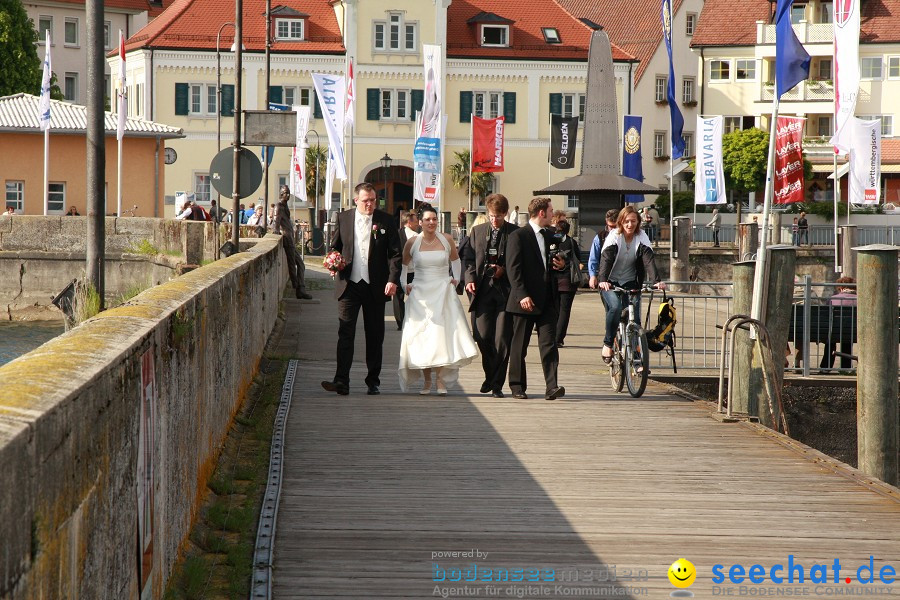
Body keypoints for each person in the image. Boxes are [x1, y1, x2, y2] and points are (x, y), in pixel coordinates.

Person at [321, 182, 402, 396]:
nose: (370, 204)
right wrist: (332, 261)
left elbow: (395, 253)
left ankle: (372, 381)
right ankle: (341, 381)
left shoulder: (385, 220)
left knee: (375, 335)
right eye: (366, 200)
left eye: (373, 200)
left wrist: (393, 279)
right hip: (349, 284)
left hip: (376, 286)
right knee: (345, 332)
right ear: (356, 200)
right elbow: (335, 247)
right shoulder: (344, 218)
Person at [398, 204, 478, 395]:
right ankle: (427, 381)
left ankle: (440, 380)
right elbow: (403, 267)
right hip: (420, 294)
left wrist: (455, 279)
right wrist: (404, 285)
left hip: (442, 291)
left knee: (441, 336)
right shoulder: (412, 242)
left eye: (434, 219)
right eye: (427, 219)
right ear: (420, 222)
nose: (431, 222)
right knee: (423, 337)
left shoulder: (447, 239)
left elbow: (456, 261)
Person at [505, 197, 567, 401]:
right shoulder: (518, 236)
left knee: (549, 344)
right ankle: (517, 385)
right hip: (525, 300)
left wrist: (561, 264)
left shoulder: (550, 235)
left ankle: (552, 386)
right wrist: (522, 294)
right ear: (541, 213)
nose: (552, 214)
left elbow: (558, 260)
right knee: (519, 346)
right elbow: (513, 269)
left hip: (547, 298)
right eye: (550, 211)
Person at [590, 205, 665, 364]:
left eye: (633, 221)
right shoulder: (614, 236)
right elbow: (606, 259)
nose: (630, 225)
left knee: (635, 320)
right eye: (626, 222)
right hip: (610, 282)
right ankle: (608, 344)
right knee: (616, 307)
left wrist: (656, 281)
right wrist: (602, 279)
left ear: (638, 222)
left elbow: (648, 260)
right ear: (621, 222)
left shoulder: (642, 236)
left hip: (631, 281)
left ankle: (637, 359)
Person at [462, 194, 517, 398]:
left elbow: (519, 264)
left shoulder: (515, 233)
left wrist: (504, 270)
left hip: (506, 293)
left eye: (499, 216)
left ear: (506, 214)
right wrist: (469, 279)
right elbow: (468, 259)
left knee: (502, 340)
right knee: (482, 336)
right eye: (492, 216)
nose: (495, 220)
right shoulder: (477, 231)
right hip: (482, 291)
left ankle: (496, 385)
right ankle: (490, 375)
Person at [549, 212, 582, 347]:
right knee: (564, 310)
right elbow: (577, 259)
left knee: (554, 309)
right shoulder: (571, 242)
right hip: (568, 280)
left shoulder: (551, 240)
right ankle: (559, 338)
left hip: (553, 279)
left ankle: (551, 336)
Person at [273, 186, 312, 300]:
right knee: (295, 264)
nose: (288, 195)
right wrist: (276, 231)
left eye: (289, 193)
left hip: (289, 237)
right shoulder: (279, 206)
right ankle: (299, 288)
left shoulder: (285, 206)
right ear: (281, 194)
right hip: (286, 238)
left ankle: (299, 288)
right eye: (285, 193)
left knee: (299, 264)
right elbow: (276, 220)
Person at [393, 210, 421, 330]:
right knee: (409, 296)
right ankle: (407, 321)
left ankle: (403, 322)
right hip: (407, 270)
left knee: (401, 297)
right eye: (415, 221)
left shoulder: (397, 234)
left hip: (406, 270)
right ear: (409, 222)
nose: (418, 224)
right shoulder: (414, 236)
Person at [820, 277, 856, 370]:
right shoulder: (860, 300)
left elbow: (826, 316)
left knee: (831, 340)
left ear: (840, 288)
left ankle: (826, 367)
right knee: (847, 339)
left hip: (833, 332)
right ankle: (846, 368)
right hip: (853, 332)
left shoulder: (832, 299)